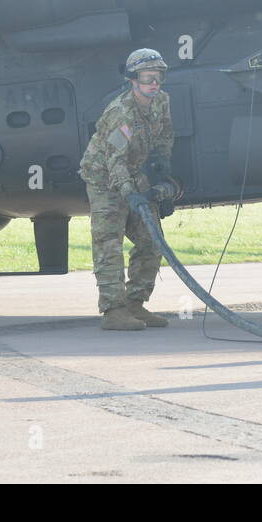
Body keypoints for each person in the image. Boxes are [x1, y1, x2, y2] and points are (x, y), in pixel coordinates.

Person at [78, 48, 178, 331]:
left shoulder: (161, 101)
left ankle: (135, 303)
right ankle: (113, 310)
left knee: (152, 239)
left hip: (133, 172)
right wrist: (129, 193)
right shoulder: (120, 113)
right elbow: (114, 160)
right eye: (148, 78)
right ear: (133, 80)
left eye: (158, 77)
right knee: (109, 242)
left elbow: (165, 136)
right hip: (104, 178)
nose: (154, 84)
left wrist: (162, 172)